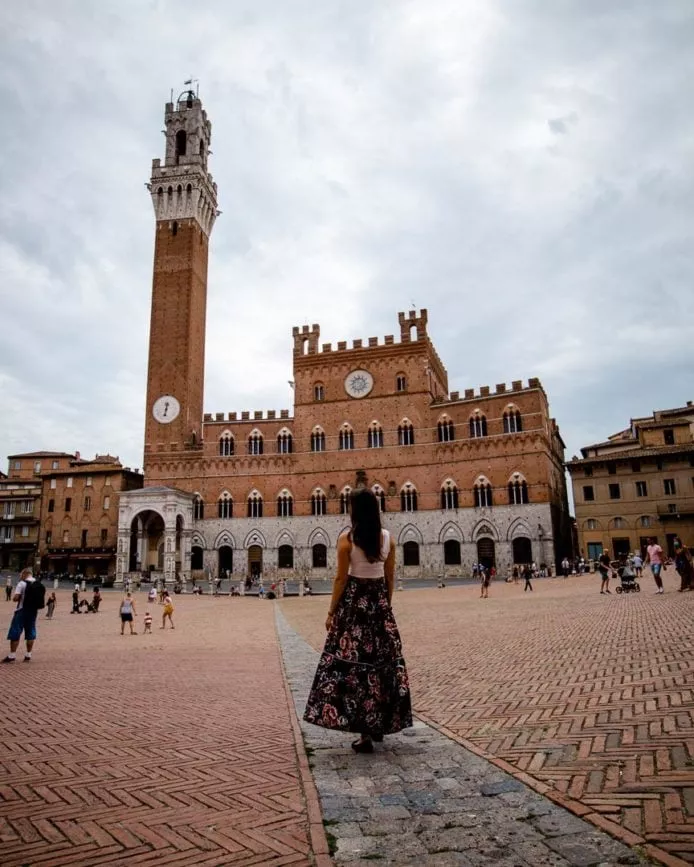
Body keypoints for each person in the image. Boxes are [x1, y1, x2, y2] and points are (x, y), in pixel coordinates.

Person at [304, 489, 412, 754]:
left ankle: (364, 735)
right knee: (381, 665)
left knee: (354, 668)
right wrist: (385, 606)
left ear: (356, 511)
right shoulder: (388, 539)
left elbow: (341, 579)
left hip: (354, 605)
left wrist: (331, 612)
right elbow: (389, 578)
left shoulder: (347, 539)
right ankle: (379, 725)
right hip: (378, 603)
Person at [3, 567, 44, 662]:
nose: (20, 576)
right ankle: (28, 654)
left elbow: (16, 598)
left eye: (21, 574)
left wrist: (17, 597)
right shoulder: (38, 583)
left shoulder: (22, 583)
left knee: (15, 631)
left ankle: (12, 655)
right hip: (33, 611)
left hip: (21, 610)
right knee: (31, 631)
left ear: (25, 574)